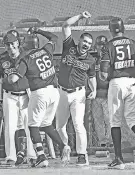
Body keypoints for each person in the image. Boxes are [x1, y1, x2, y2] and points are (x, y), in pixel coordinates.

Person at [7, 27, 71, 168]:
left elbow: (13, 79)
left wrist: (10, 74)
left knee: (33, 126)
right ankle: (63, 145)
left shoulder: (25, 59)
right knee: (46, 124)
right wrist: (39, 31)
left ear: (24, 45)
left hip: (40, 93)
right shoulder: (45, 50)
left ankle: (41, 156)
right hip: (54, 92)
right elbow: (54, 37)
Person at [55, 11, 96, 166]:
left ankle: (81, 154)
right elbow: (65, 25)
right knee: (60, 126)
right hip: (62, 92)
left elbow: (92, 77)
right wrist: (80, 16)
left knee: (79, 124)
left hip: (78, 94)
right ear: (79, 41)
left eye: (89, 43)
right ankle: (65, 147)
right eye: (84, 41)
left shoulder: (91, 60)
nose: (86, 44)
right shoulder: (69, 47)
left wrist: (94, 90)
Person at [0, 31, 37, 166]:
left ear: (17, 43)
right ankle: (11, 156)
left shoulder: (26, 55)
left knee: (30, 125)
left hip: (26, 94)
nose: (11, 47)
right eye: (8, 44)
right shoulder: (2, 59)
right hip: (9, 95)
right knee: (10, 126)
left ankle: (32, 154)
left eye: (12, 43)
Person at [100, 17, 135, 170]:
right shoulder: (132, 43)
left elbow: (103, 72)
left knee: (115, 121)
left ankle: (118, 158)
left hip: (117, 82)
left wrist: (106, 77)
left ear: (110, 29)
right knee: (132, 120)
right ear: (123, 28)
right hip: (132, 82)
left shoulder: (108, 45)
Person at [90, 35, 113, 147]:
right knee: (98, 119)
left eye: (104, 44)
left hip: (108, 93)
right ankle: (102, 141)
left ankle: (110, 140)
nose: (102, 46)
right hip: (96, 95)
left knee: (109, 119)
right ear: (96, 46)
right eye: (99, 44)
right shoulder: (93, 59)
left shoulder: (110, 58)